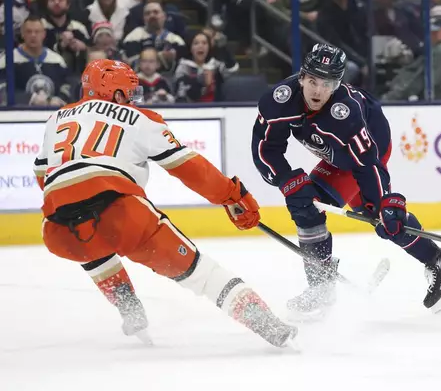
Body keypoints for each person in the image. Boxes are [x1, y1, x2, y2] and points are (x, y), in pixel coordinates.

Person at [33, 59, 297, 348]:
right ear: (114, 92)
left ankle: (128, 307)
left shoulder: (56, 118)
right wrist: (231, 196)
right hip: (124, 216)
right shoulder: (139, 119)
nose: (131, 99)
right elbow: (188, 167)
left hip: (56, 230)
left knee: (88, 239)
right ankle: (265, 322)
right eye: (128, 92)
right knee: (200, 274)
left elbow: (44, 178)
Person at [250, 44, 441, 319]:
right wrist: (287, 180)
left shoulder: (346, 113)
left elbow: (366, 164)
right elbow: (265, 149)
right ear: (301, 77)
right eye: (312, 81)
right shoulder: (278, 101)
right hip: (336, 158)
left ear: (338, 84)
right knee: (309, 203)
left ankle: (323, 288)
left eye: (328, 83)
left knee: (376, 215)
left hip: (370, 152)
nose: (318, 91)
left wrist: (384, 200)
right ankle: (439, 260)